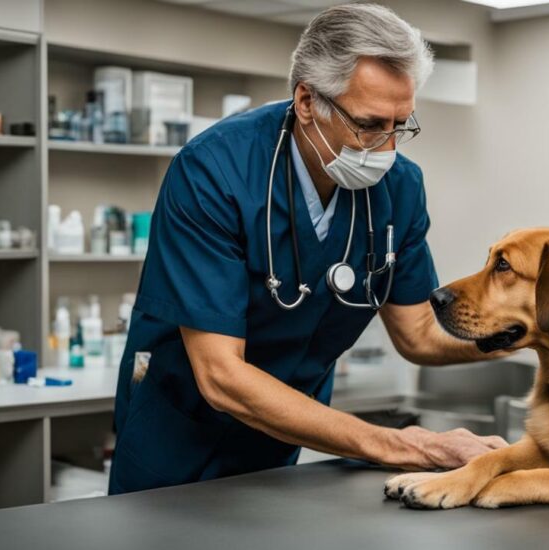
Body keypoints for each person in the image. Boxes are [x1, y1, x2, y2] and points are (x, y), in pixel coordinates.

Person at [109, 3, 509, 495]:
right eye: (368, 124)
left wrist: (523, 331)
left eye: (400, 125)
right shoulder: (213, 172)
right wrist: (407, 446)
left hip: (283, 443)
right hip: (174, 440)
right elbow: (221, 375)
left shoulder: (399, 188)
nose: (386, 149)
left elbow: (420, 334)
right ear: (306, 101)